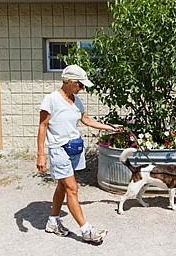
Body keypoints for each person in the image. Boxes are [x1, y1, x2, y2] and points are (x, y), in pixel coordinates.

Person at [36, 64, 118, 243]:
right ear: (69, 81)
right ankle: (87, 230)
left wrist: (110, 127)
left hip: (74, 149)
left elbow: (86, 120)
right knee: (72, 188)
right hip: (58, 149)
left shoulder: (76, 100)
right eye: (80, 85)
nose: (82, 89)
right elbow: (43, 126)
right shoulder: (51, 99)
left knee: (62, 186)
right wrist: (40, 154)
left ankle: (52, 221)